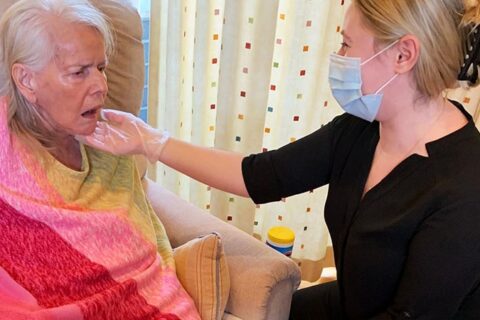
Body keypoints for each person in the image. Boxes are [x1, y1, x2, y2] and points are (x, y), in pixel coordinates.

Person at [78, 0, 480, 319]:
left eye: (346, 43)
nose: (337, 56)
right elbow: (261, 177)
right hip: (353, 304)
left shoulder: (465, 188)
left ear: (403, 54)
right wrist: (151, 142)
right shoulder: (359, 131)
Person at [0, 0, 200, 319]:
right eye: (79, 72)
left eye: (102, 68)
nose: (102, 87)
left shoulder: (113, 143)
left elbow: (142, 254)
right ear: (26, 81)